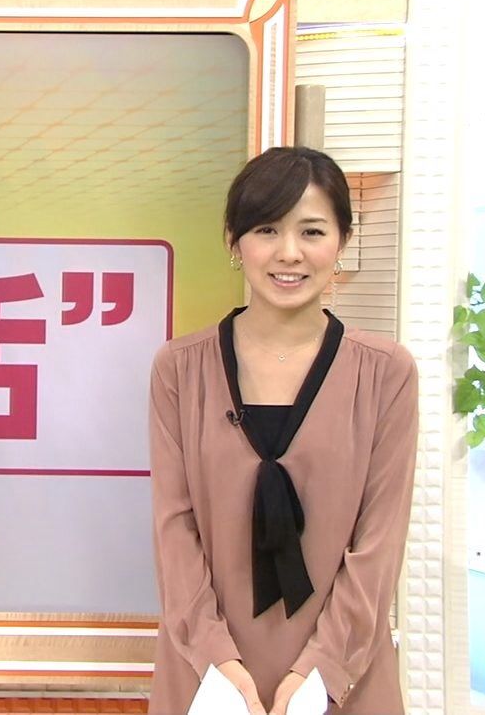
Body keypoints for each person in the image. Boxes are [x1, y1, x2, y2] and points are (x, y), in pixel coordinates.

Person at [148, 147, 419, 714]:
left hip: (343, 676)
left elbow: (379, 542)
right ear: (234, 241)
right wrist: (218, 663)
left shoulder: (385, 373)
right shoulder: (180, 369)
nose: (289, 253)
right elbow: (174, 530)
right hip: (208, 677)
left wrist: (320, 671)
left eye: (312, 231)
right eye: (267, 229)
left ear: (342, 241)